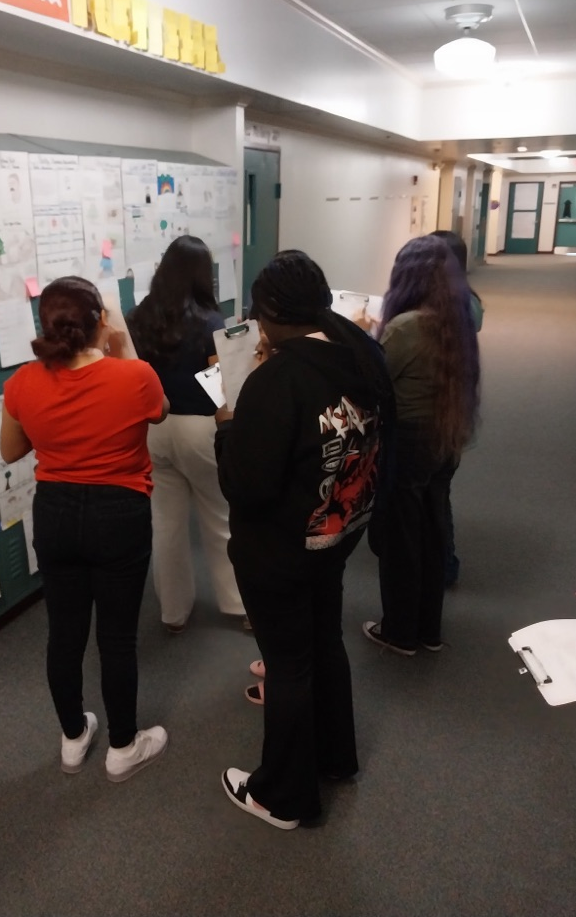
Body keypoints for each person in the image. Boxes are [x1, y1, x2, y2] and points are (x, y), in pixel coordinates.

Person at [215, 250, 393, 829]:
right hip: (335, 534)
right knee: (324, 643)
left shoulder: (277, 381)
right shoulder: (360, 353)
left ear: (266, 314)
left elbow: (249, 488)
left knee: (288, 664)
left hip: (280, 550)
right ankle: (336, 759)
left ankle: (283, 797)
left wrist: (229, 428)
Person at [1, 276, 170, 781]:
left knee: (64, 634)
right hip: (119, 514)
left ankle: (73, 739)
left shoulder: (23, 383)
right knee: (117, 638)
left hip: (54, 513)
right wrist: (120, 343)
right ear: (99, 321)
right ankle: (123, 747)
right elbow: (157, 412)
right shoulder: (134, 376)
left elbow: (11, 451)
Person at [363, 235, 480, 656]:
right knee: (431, 534)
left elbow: (374, 382)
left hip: (408, 441)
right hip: (445, 438)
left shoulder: (406, 326)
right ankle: (428, 629)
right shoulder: (456, 318)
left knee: (401, 540)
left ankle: (399, 631)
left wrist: (362, 340)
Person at [127, 235, 245, 633]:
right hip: (200, 428)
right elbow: (219, 383)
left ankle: (173, 613)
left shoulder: (138, 317)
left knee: (167, 524)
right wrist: (230, 427)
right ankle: (238, 605)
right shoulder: (210, 321)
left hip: (154, 429)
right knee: (220, 517)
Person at [430, 229, 484, 586]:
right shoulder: (469, 302)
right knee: (438, 493)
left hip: (435, 416)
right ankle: (443, 564)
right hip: (455, 411)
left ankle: (442, 565)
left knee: (433, 498)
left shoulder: (442, 312)